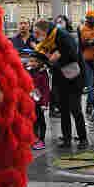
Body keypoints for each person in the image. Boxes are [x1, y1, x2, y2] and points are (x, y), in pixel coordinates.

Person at [35, 18, 88, 149]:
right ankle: (66, 138)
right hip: (60, 77)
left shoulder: (62, 36)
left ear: (45, 30)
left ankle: (83, 139)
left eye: (37, 32)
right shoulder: (46, 41)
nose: (35, 35)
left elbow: (73, 55)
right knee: (63, 109)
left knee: (75, 108)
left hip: (74, 77)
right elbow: (46, 57)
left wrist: (56, 57)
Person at [22, 49, 50, 150]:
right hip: (30, 100)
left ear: (40, 63)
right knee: (32, 120)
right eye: (31, 61)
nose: (32, 63)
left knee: (40, 120)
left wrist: (44, 103)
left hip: (39, 101)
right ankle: (33, 138)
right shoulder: (29, 71)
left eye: (34, 61)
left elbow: (46, 89)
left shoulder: (43, 74)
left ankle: (41, 140)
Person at [78, 11, 94, 117]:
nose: (92, 20)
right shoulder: (82, 29)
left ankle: (89, 103)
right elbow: (81, 44)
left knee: (92, 83)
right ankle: (91, 104)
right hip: (86, 59)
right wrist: (89, 42)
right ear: (87, 19)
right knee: (90, 83)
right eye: (90, 18)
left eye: (93, 18)